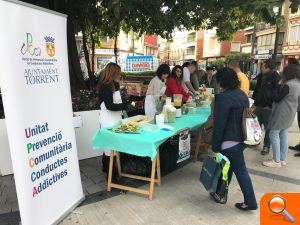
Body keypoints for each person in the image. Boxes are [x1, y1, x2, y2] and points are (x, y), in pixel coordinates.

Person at [212, 67, 257, 211]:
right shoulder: (242, 95)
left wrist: (215, 146)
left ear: (220, 82)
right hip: (241, 138)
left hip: (229, 141)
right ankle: (220, 194)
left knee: (238, 170)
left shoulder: (222, 98)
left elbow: (219, 124)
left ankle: (250, 201)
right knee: (227, 168)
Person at [263, 64, 300, 167]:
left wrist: (279, 85)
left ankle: (276, 161)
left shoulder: (288, 85)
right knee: (283, 134)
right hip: (290, 113)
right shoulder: (298, 84)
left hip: (281, 113)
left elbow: (277, 98)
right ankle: (282, 159)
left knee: (273, 134)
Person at [98, 62, 129, 174]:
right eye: (118, 73)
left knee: (112, 144)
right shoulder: (105, 87)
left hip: (115, 117)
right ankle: (110, 172)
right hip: (107, 119)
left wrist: (124, 103)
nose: (120, 75)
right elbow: (110, 105)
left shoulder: (114, 85)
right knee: (109, 145)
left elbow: (117, 101)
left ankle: (106, 166)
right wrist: (124, 106)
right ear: (113, 73)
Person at [252, 59, 281, 155]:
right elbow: (257, 90)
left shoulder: (276, 77)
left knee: (268, 128)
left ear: (268, 67)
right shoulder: (261, 76)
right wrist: (253, 102)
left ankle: (266, 146)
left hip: (268, 107)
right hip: (259, 105)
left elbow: (277, 93)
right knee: (256, 125)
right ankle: (256, 141)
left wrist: (270, 105)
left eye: (262, 66)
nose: (261, 68)